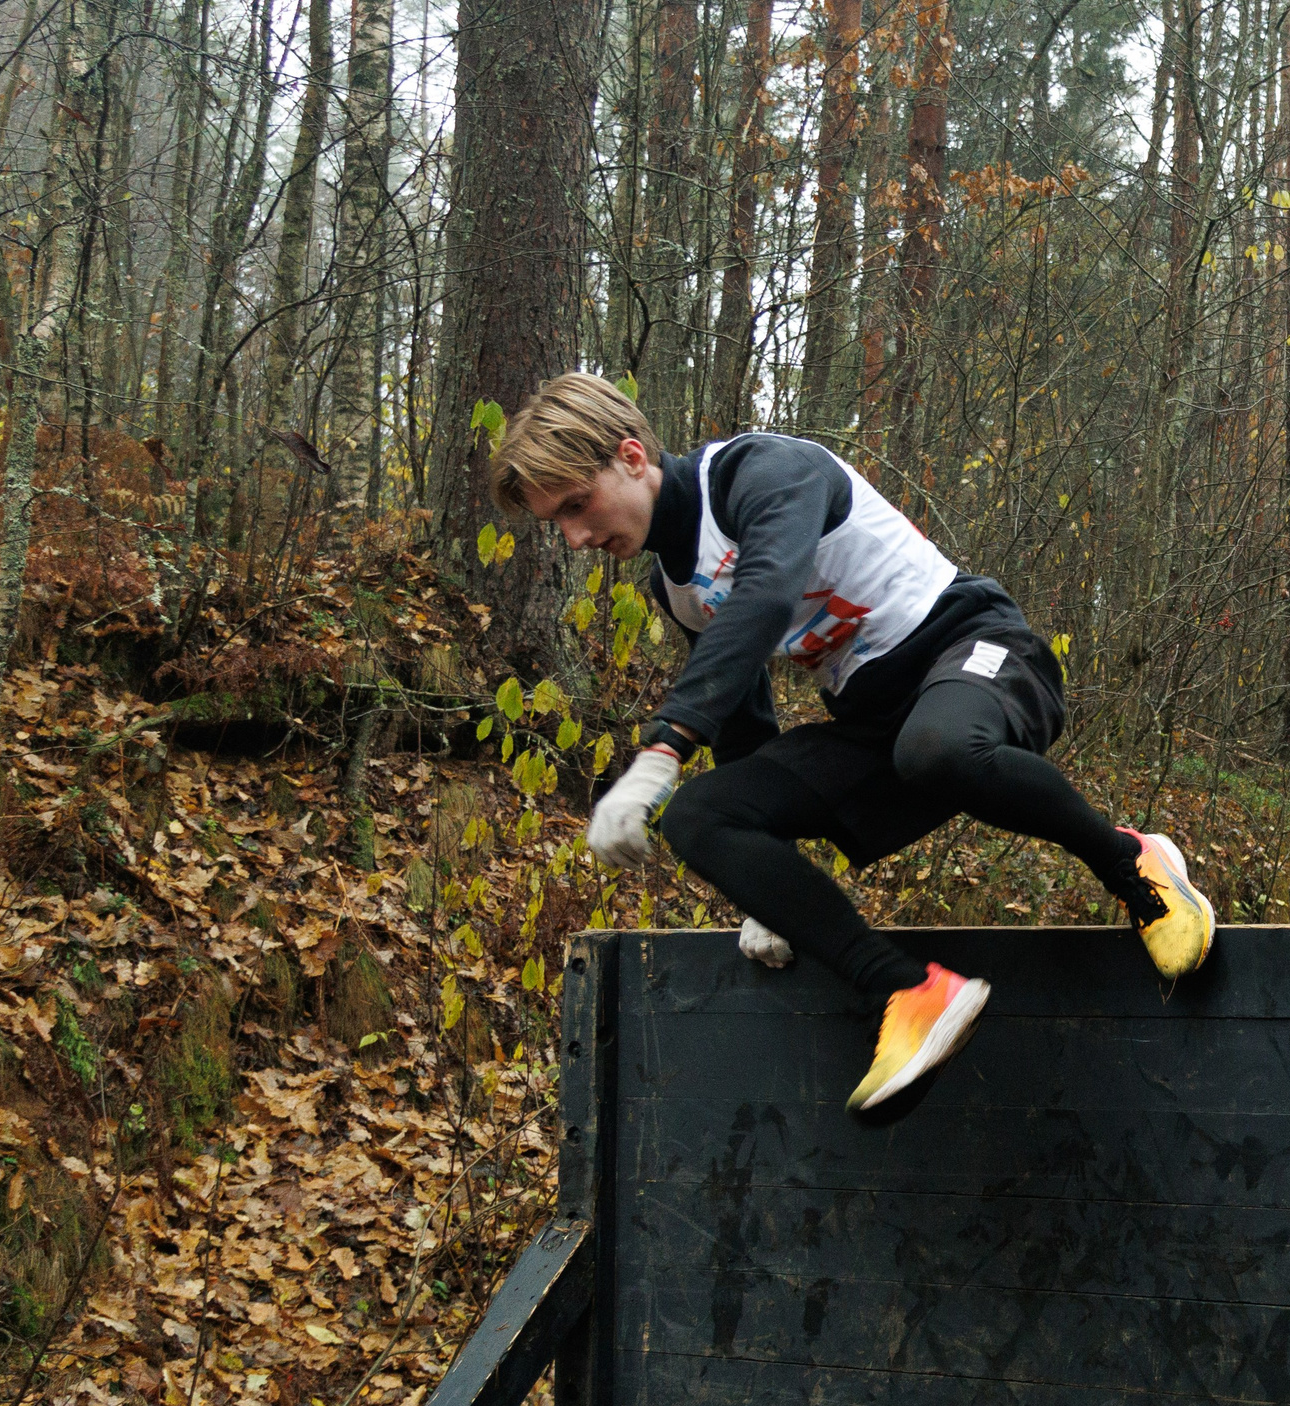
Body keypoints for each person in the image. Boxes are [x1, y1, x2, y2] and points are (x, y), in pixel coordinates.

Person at [489, 374, 1214, 1111]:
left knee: (938, 748)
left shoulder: (761, 473)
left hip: (974, 647)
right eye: (558, 524)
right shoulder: (675, 589)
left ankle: (1133, 864)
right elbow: (744, 719)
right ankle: (907, 994)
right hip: (875, 722)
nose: (577, 537)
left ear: (633, 455)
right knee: (699, 816)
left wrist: (663, 745)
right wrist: (759, 885)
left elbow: (768, 590)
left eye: (577, 506)